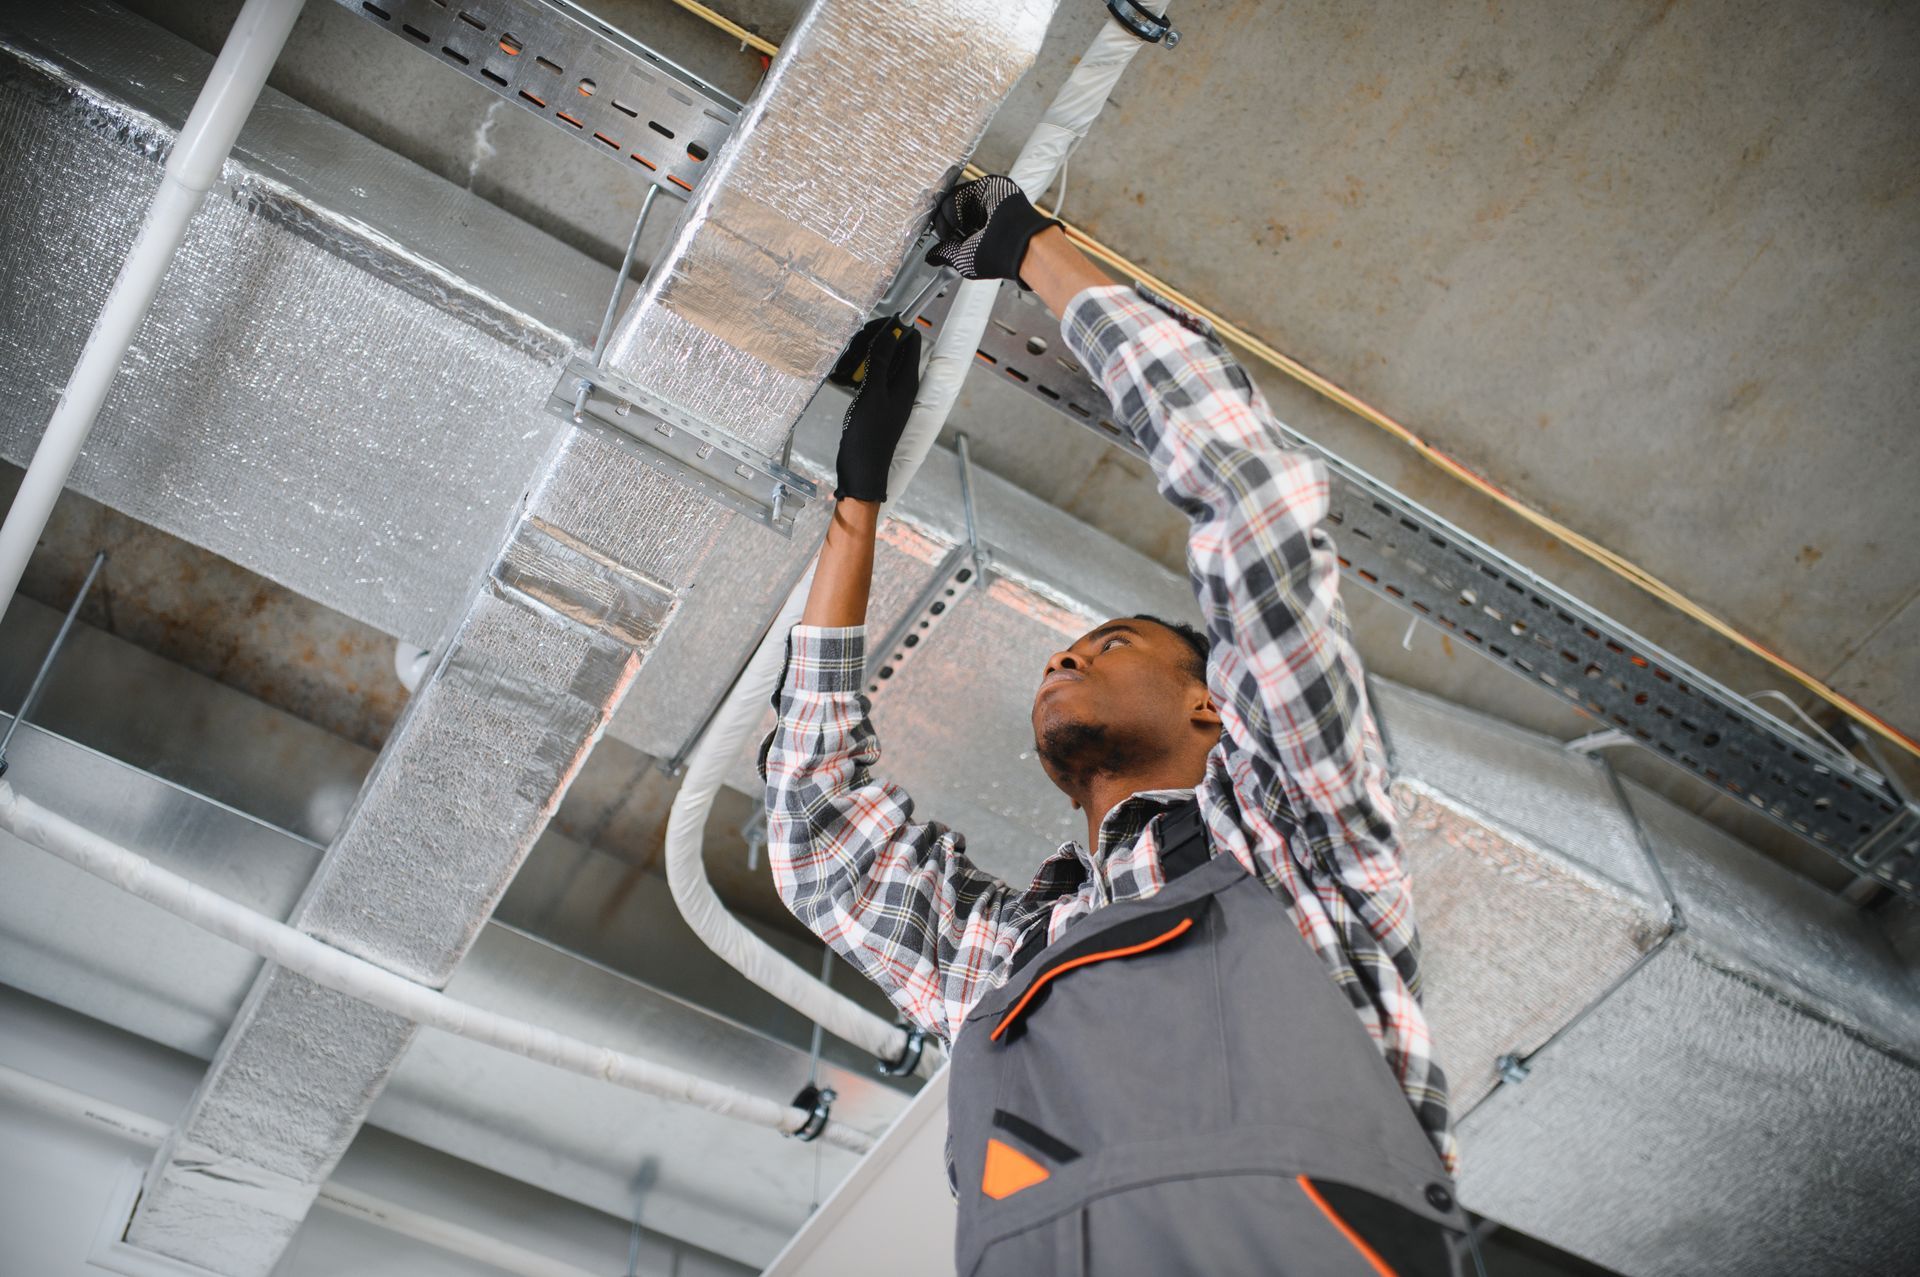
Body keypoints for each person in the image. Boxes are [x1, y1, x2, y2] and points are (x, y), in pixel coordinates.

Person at [762, 175, 1469, 1276]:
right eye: (1074, 647)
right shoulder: (1005, 958)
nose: (1065, 652)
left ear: (1215, 705)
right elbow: (822, 840)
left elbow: (1255, 506)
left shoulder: (1296, 834)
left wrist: (1027, 247)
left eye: (1111, 642)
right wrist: (855, 508)